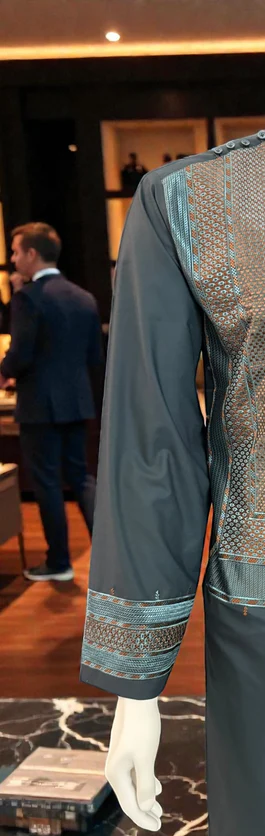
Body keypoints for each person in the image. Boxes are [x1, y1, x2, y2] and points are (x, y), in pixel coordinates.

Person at [0, 222, 103, 581]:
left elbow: (20, 354)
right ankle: (111, 558)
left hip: (39, 405)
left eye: (15, 252)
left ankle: (59, 563)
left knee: (46, 483)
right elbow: (95, 356)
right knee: (82, 478)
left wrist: (4, 371)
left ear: (31, 253)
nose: (13, 259)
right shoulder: (84, 297)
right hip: (77, 401)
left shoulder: (28, 298)